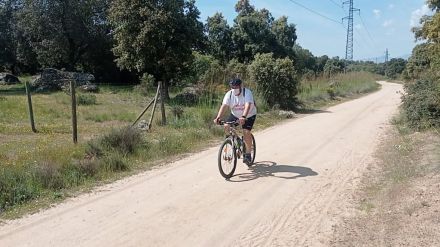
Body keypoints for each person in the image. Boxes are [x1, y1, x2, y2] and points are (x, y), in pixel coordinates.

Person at [213, 78, 257, 165]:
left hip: (249, 114)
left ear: (241, 86)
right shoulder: (229, 94)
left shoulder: (247, 93)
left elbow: (248, 105)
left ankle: (247, 154)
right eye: (232, 87)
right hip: (235, 115)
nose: (234, 88)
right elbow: (224, 106)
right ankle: (231, 141)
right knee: (226, 125)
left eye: (236, 86)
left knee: (246, 132)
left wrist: (244, 117)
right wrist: (218, 117)